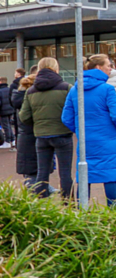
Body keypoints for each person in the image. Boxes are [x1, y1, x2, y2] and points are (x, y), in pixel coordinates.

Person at [61, 54, 116, 207]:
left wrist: (80, 130)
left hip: (85, 141)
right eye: (108, 65)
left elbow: (66, 117)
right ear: (98, 67)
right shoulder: (107, 89)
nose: (111, 68)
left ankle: (82, 212)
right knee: (109, 175)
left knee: (85, 175)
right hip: (107, 139)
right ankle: (114, 214)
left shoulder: (74, 90)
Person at [21, 58, 72, 199]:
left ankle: (40, 204)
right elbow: (75, 111)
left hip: (41, 136)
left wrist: (38, 123)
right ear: (56, 68)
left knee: (42, 173)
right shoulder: (66, 87)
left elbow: (24, 116)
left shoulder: (30, 91)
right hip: (63, 134)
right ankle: (69, 204)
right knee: (65, 173)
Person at [11, 75, 37, 189]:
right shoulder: (29, 100)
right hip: (32, 136)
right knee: (34, 173)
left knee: (29, 172)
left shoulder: (18, 98)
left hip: (24, 137)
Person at [0, 77, 14, 149]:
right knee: (9, 125)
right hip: (10, 110)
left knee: (5, 126)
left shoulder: (0, 91)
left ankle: (8, 141)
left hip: (3, 111)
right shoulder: (9, 90)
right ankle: (12, 139)